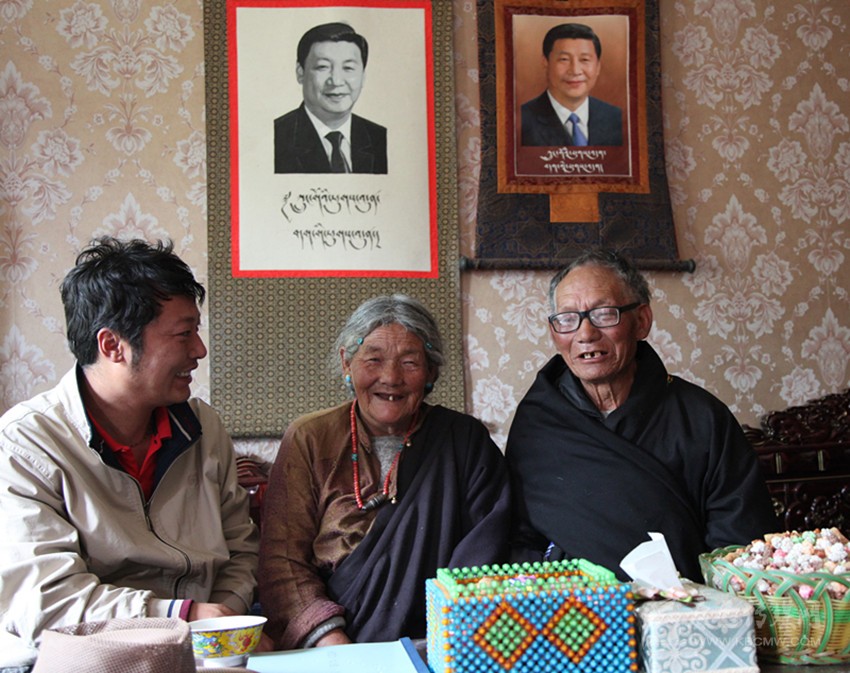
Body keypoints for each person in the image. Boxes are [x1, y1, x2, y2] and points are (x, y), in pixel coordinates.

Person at [0, 238, 262, 667]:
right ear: (112, 346)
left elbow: (240, 549)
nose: (199, 350)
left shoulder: (203, 428)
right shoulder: (25, 445)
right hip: (82, 658)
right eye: (184, 334)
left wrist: (222, 626)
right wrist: (183, 619)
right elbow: (45, 600)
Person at [506, 249, 778, 582]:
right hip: (572, 606)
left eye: (603, 314)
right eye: (566, 318)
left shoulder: (702, 417)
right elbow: (521, 539)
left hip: (688, 604)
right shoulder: (537, 423)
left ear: (642, 321)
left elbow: (740, 543)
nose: (585, 334)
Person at [259, 294, 510, 648]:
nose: (391, 378)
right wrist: (329, 638)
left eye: (409, 362)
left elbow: (487, 547)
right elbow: (282, 562)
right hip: (333, 646)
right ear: (347, 363)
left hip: (443, 639)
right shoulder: (310, 438)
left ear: (431, 372)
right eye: (373, 359)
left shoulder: (464, 440)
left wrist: (451, 633)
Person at [274, 22, 388, 174]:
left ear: (363, 76)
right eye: (323, 67)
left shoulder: (380, 139)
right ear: (300, 73)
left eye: (348, 68)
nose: (336, 81)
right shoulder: (276, 138)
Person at [520, 23, 623, 147]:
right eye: (564, 59)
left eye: (584, 60)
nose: (575, 71)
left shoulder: (617, 118)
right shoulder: (520, 121)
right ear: (545, 62)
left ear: (598, 67)